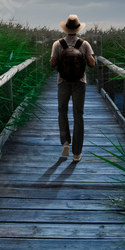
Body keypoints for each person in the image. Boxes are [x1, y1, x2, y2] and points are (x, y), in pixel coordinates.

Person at [49, 14, 96, 161]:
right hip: (79, 83)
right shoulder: (85, 44)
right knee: (78, 115)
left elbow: (52, 64)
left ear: (66, 29)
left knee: (62, 111)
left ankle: (65, 142)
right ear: (77, 29)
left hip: (62, 82)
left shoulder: (58, 44)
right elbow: (92, 64)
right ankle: (77, 153)